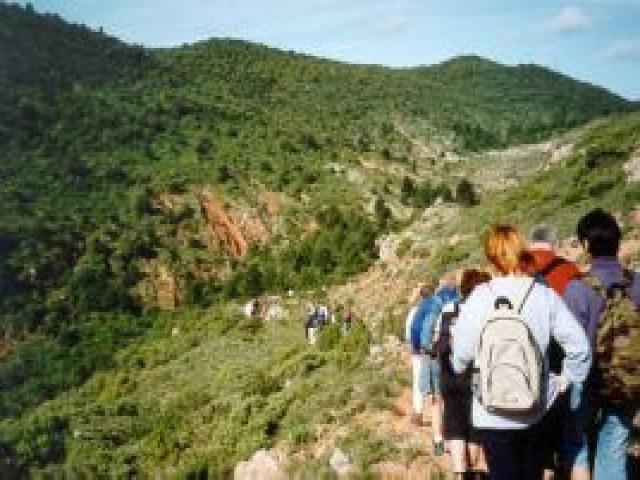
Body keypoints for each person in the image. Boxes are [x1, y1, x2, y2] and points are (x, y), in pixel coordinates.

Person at [452, 224, 591, 480]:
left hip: (491, 412)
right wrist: (563, 382)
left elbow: (460, 357)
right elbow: (579, 347)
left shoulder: (480, 297)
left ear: (492, 257)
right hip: (535, 407)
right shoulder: (543, 295)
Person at [563, 209, 640, 480]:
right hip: (628, 376)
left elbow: (568, 342)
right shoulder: (637, 283)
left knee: (578, 443)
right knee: (614, 445)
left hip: (587, 378)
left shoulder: (576, 288)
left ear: (586, 245)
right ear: (618, 242)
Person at [528, 224, 585, 480]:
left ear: (532, 243)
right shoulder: (570, 270)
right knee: (565, 428)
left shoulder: (520, 267)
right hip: (563, 359)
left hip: (530, 358)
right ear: (555, 244)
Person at [440, 269, 491, 480]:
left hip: (449, 374)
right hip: (475, 375)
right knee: (475, 425)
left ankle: (460, 473)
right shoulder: (485, 309)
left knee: (454, 425)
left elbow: (438, 344)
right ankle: (477, 471)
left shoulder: (448, 309)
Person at [407, 283, 435, 426]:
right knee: (436, 383)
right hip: (434, 351)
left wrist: (414, 347)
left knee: (418, 381)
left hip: (418, 352)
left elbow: (408, 334)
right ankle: (439, 414)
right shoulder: (437, 309)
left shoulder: (414, 312)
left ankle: (418, 413)